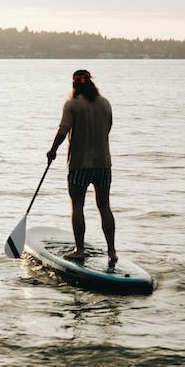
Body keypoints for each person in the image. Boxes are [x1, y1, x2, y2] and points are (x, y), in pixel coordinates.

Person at [45, 69, 116, 265]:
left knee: (77, 206)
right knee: (104, 207)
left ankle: (80, 250)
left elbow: (63, 130)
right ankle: (112, 251)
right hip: (103, 164)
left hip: (79, 165)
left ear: (74, 85)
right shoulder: (105, 103)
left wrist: (53, 150)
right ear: (92, 84)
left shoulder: (72, 105)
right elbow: (108, 129)